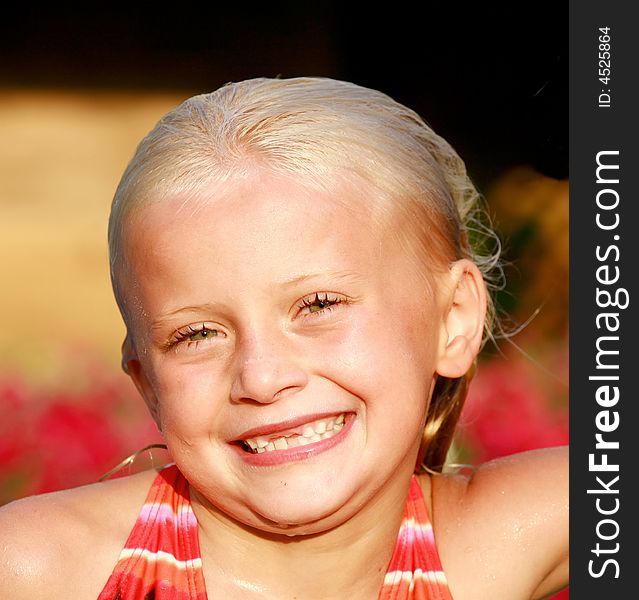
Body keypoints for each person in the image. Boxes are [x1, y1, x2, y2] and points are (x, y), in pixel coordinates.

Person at [0, 77, 567, 599]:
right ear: (147, 381)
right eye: (198, 334)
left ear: (454, 319)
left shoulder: (491, 543)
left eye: (318, 305)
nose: (263, 377)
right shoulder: (43, 569)